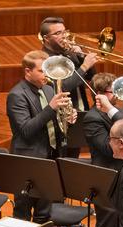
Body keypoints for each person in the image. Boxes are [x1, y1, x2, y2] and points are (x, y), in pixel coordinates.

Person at [6, 50, 74, 227]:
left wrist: (67, 116)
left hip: (48, 159)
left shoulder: (47, 90)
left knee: (44, 214)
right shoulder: (16, 95)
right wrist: (51, 109)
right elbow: (26, 130)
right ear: (27, 71)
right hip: (27, 161)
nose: (46, 74)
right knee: (23, 215)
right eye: (40, 70)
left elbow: (53, 123)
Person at [82, 72, 123, 227]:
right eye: (113, 92)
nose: (117, 96)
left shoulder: (116, 114)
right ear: (101, 95)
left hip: (122, 178)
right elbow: (108, 149)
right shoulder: (92, 118)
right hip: (104, 180)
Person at [40, 16, 97, 158]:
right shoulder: (45, 59)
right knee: (63, 158)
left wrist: (82, 57)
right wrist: (84, 66)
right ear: (46, 38)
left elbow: (90, 77)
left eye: (64, 32)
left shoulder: (69, 53)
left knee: (74, 158)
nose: (64, 36)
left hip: (80, 111)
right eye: (58, 33)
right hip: (62, 117)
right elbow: (62, 86)